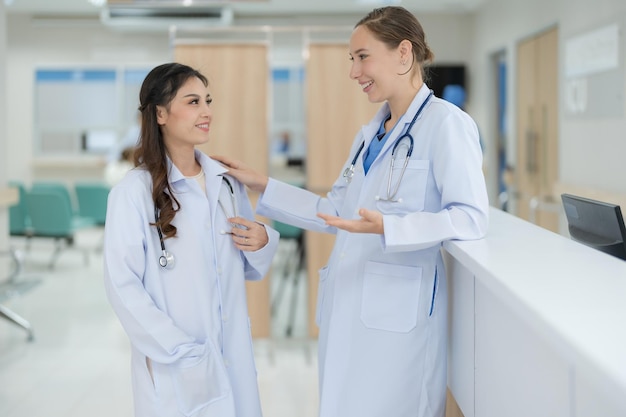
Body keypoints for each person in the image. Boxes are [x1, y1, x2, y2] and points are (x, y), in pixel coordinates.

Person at [213, 6, 489, 417]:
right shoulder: (369, 135)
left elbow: (470, 217)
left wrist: (391, 227)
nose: (353, 71)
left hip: (398, 316)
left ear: (403, 53)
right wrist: (262, 184)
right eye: (351, 59)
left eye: (362, 57)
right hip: (349, 304)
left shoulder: (447, 124)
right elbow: (334, 211)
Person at [103, 62, 279, 417]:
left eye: (208, 101)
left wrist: (263, 239)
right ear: (161, 114)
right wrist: (179, 349)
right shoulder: (133, 192)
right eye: (193, 101)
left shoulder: (226, 183)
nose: (207, 112)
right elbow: (122, 285)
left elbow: (243, 266)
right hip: (177, 362)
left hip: (232, 355)